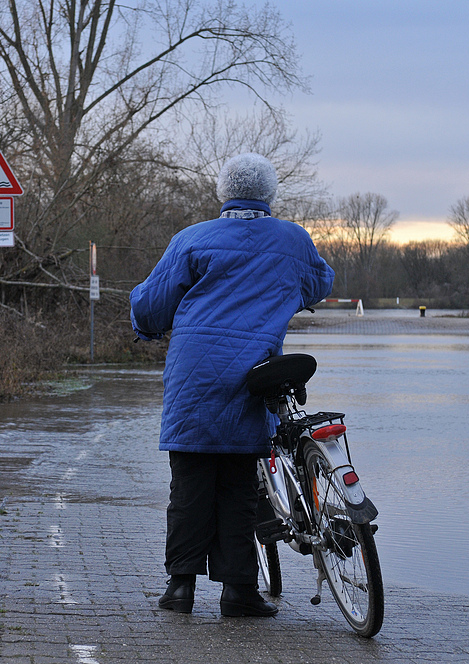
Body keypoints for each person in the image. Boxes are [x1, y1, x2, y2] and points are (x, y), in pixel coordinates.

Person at [130, 153, 335, 616]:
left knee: (189, 482)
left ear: (224, 192)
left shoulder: (191, 239)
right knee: (240, 485)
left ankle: (179, 589)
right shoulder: (293, 240)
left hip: (193, 373)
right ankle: (238, 591)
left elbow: (151, 305)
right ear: (269, 194)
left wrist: (146, 325)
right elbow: (320, 282)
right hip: (253, 374)